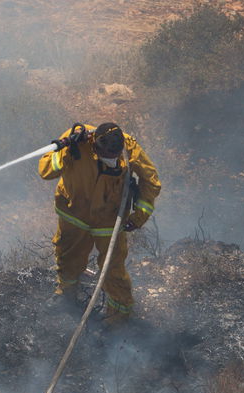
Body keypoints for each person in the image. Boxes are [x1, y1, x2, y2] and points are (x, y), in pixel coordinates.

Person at [39, 121, 161, 323]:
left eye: (115, 155)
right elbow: (45, 171)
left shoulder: (130, 148)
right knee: (68, 258)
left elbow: (151, 181)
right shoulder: (77, 140)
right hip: (74, 214)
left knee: (113, 270)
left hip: (109, 220)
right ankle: (66, 296)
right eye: (107, 154)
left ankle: (119, 318)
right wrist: (67, 150)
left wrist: (139, 216)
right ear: (95, 144)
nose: (111, 159)